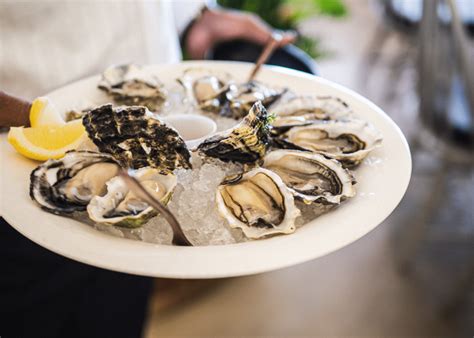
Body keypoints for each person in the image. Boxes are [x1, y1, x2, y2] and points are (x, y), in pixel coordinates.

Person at [0, 1, 295, 337]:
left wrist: (195, 15)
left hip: (148, 164)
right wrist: (40, 120)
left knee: (118, 315)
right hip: (23, 162)